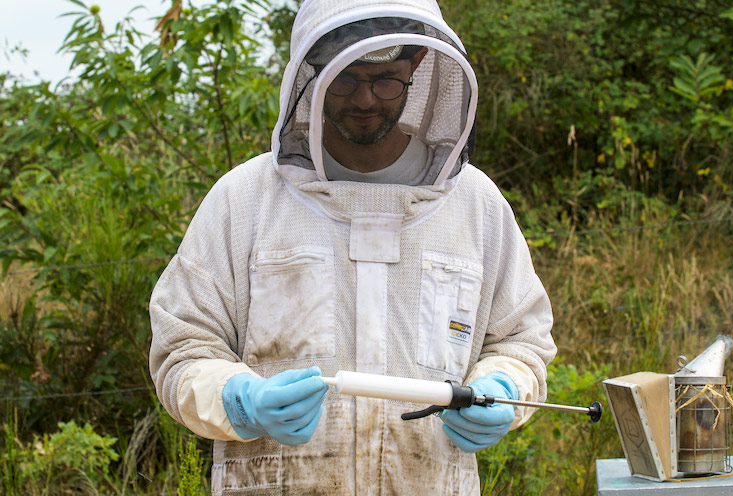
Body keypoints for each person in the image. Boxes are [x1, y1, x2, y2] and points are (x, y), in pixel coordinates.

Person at [149, 0, 557, 494]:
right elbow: (183, 347)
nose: (364, 99)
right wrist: (239, 399)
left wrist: (504, 389)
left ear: (418, 66)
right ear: (311, 72)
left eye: (386, 80)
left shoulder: (474, 205)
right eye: (345, 78)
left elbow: (520, 341)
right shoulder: (245, 200)